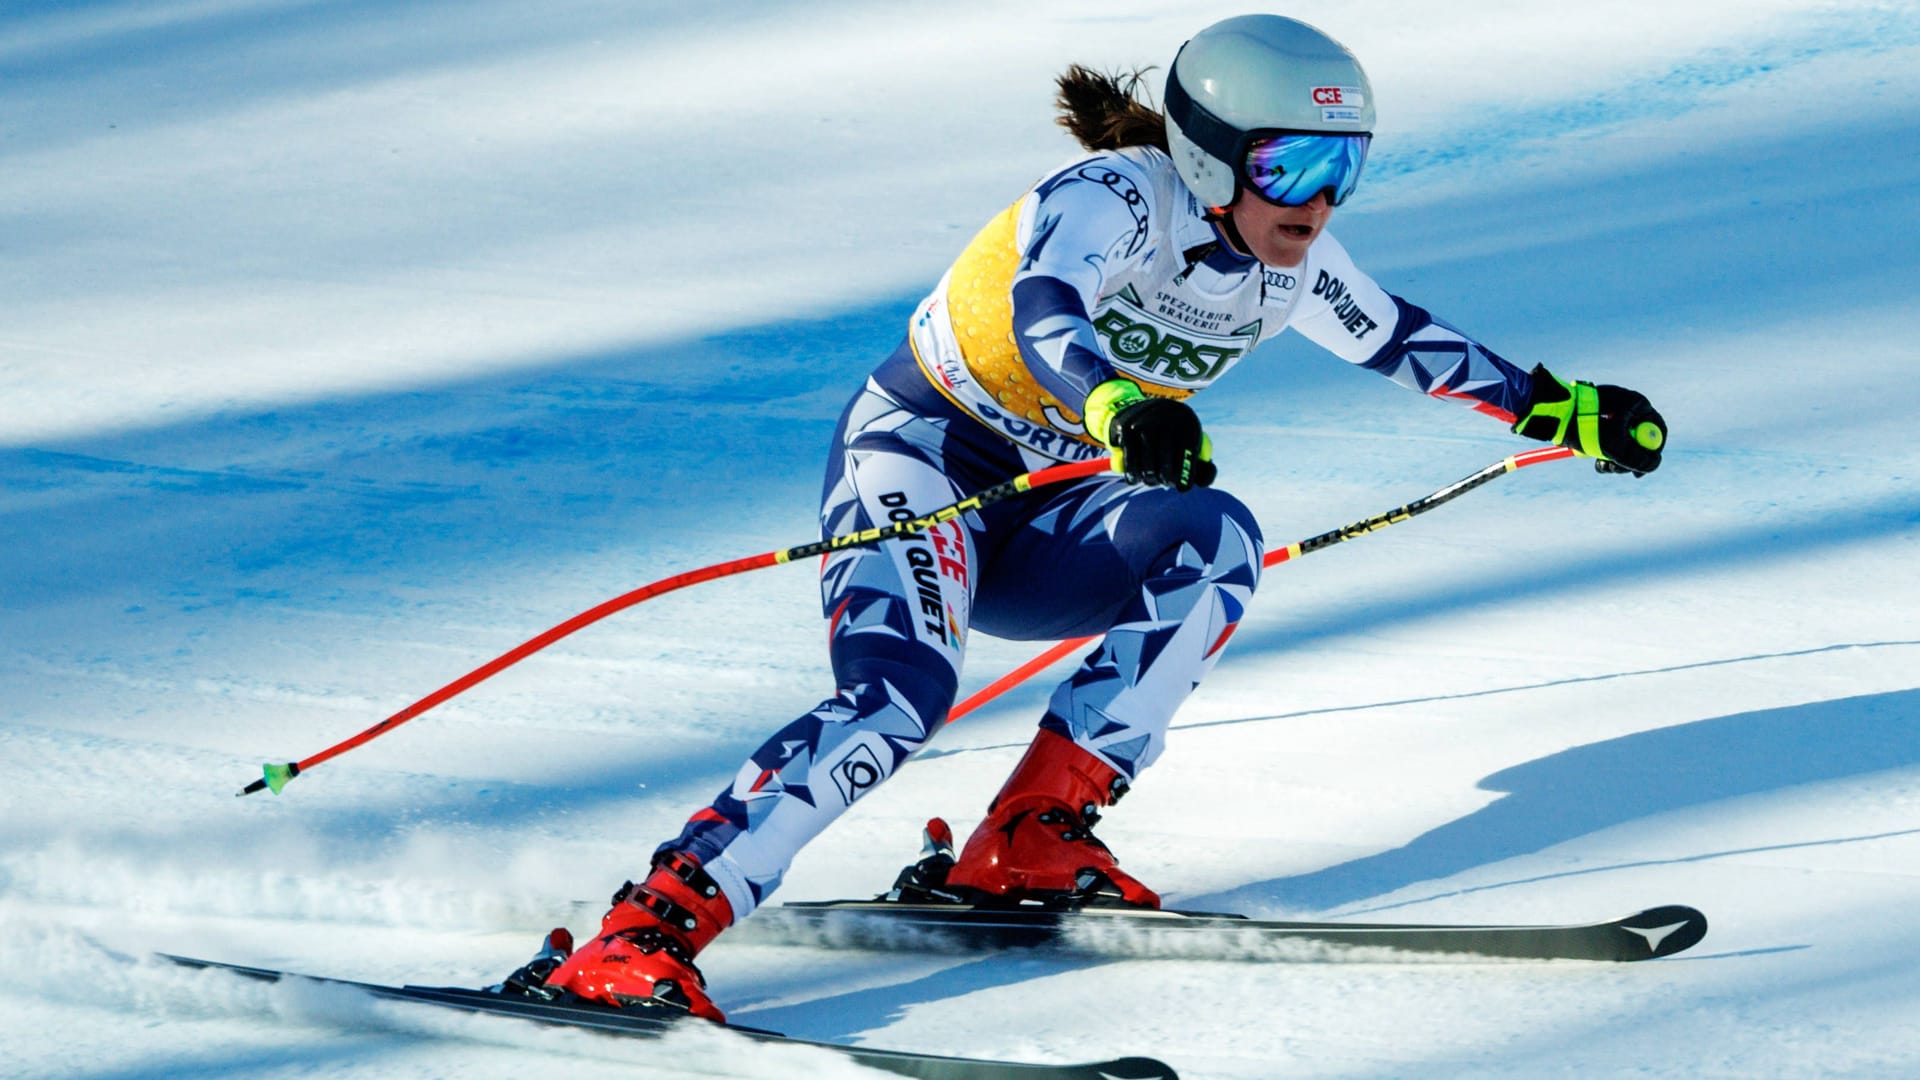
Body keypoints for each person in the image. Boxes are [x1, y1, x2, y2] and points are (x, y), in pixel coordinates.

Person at [536, 14, 1667, 1020]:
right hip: (923, 459)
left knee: (1213, 540)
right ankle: (650, 925)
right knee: (899, 698)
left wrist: (1562, 408)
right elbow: (1045, 307)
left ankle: (1029, 834)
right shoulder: (1116, 195)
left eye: (1344, 169)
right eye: (1290, 163)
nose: (1317, 201)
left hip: (1046, 508)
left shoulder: (1292, 262)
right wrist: (1117, 402)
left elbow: (1401, 340)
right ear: (1208, 154)